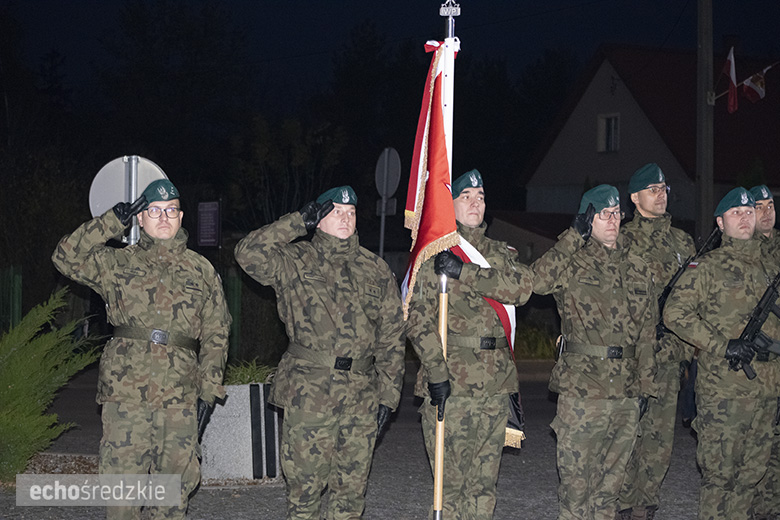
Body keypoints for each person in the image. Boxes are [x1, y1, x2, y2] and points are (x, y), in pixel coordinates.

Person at [52, 178, 232, 519]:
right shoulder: (115, 264)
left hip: (180, 397)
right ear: (140, 218)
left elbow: (217, 331)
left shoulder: (201, 270)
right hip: (126, 397)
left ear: (181, 218)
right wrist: (110, 221)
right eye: (154, 210)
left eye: (171, 210)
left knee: (172, 499)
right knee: (123, 497)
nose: (163, 217)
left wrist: (208, 391)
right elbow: (65, 256)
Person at [234, 185, 406, 520]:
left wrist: (389, 395)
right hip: (310, 393)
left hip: (362, 395)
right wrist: (298, 221)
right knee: (304, 493)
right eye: (335, 212)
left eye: (351, 213)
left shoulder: (376, 269)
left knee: (351, 495)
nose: (345, 218)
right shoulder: (294, 259)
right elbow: (247, 252)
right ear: (319, 218)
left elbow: (392, 337)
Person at [406, 169, 534, 519]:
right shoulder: (434, 252)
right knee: (449, 488)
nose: (476, 202)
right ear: (450, 204)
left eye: (480, 196)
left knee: (483, 488)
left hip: (495, 386)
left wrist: (465, 272)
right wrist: (435, 372)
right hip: (452, 384)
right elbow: (417, 318)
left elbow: (520, 290)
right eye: (466, 196)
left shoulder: (501, 252)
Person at [531, 184, 657, 520]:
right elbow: (536, 282)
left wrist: (646, 386)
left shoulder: (638, 267)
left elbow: (647, 332)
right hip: (582, 392)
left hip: (626, 393)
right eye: (604, 214)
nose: (613, 220)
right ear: (588, 219)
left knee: (610, 493)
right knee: (576, 490)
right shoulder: (570, 260)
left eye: (617, 213)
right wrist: (573, 236)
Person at [664, 187, 780, 520]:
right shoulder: (708, 267)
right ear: (720, 222)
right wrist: (722, 344)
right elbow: (675, 313)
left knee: (752, 475)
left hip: (768, 388)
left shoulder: (771, 264)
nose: (745, 218)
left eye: (749, 212)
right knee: (721, 476)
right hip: (725, 390)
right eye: (735, 213)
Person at [617, 163, 695, 520]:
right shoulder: (620, 238)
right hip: (631, 357)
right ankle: (619, 504)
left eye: (664, 188)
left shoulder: (683, 242)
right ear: (635, 198)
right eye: (653, 189)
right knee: (626, 436)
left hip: (669, 357)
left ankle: (644, 506)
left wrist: (686, 351)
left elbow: (694, 302)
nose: (661, 194)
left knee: (659, 441)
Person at [749, 184, 780, 520]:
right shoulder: (745, 252)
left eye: (771, 204)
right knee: (756, 444)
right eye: (759, 206)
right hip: (758, 363)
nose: (767, 211)